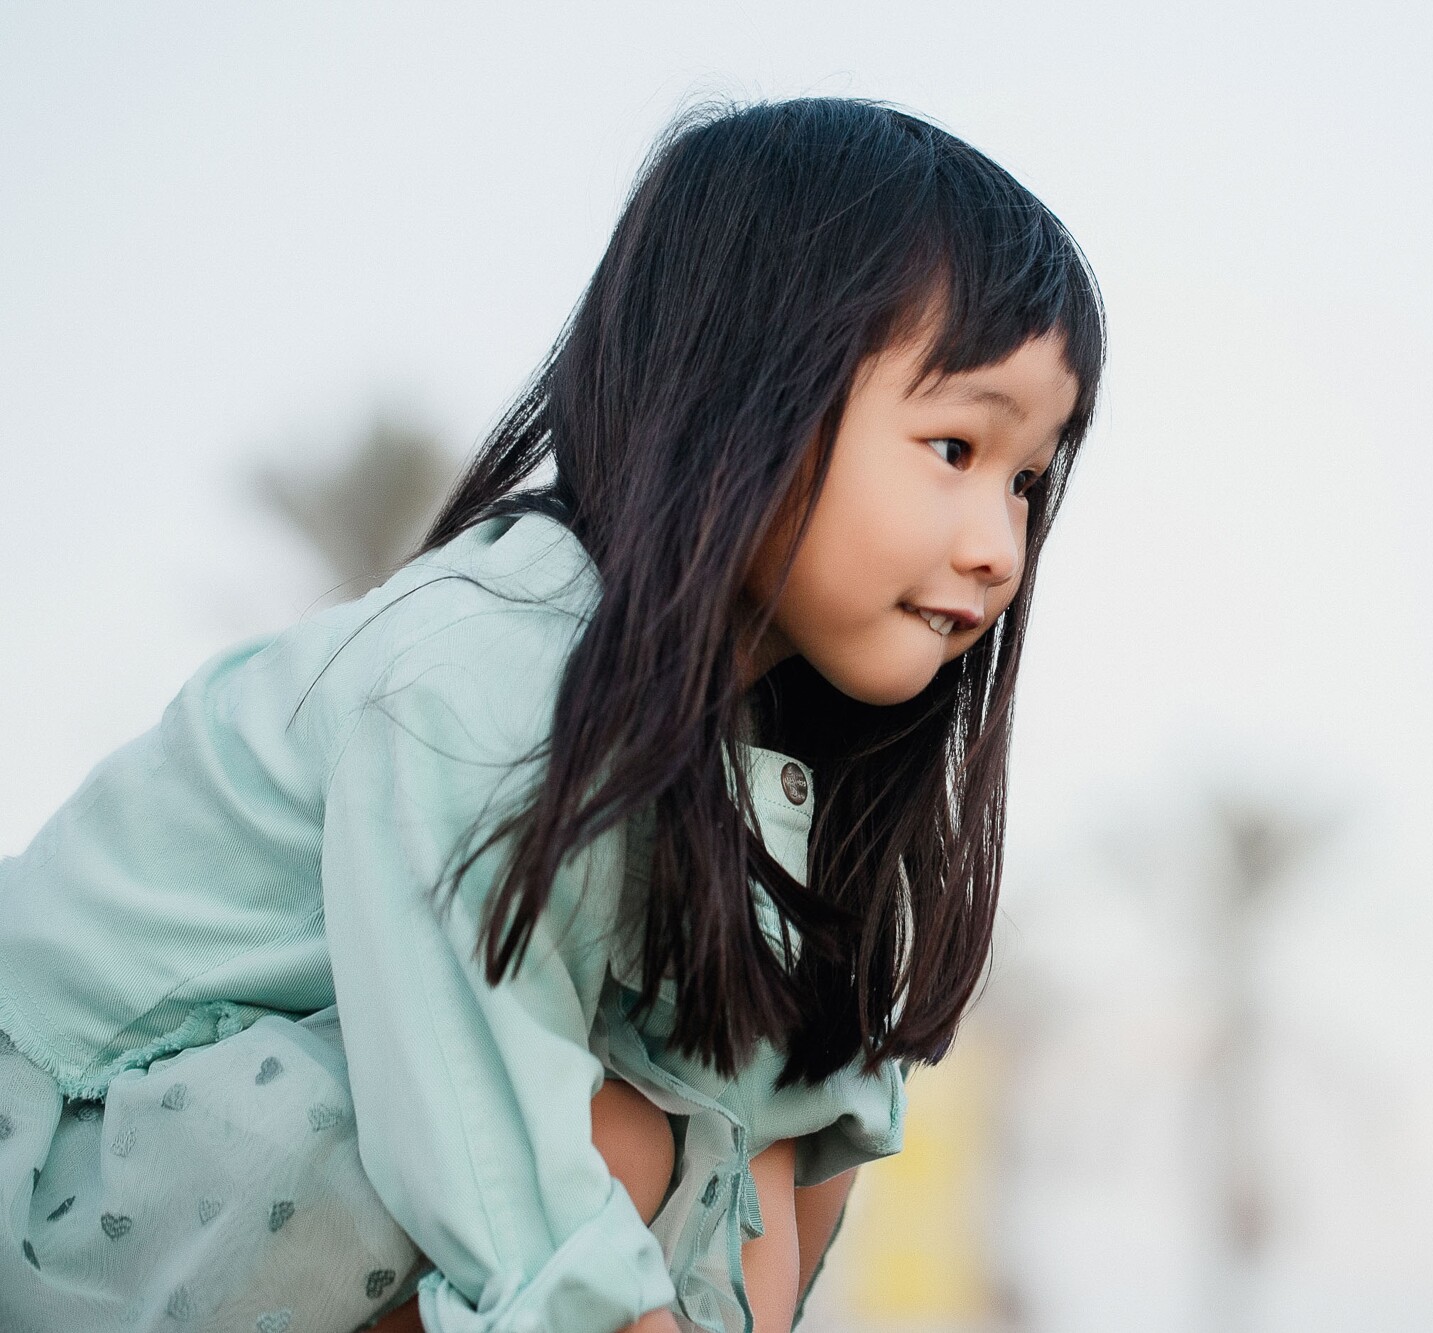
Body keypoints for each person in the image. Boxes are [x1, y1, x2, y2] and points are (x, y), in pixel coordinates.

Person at [0, 97, 1104, 1333]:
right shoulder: (490, 675)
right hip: (56, 1157)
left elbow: (768, 1173)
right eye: (955, 448)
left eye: (1025, 479)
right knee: (597, 1148)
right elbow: (472, 1110)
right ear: (739, 393)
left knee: (702, 1143)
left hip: (220, 1171)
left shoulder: (765, 756)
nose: (998, 545)